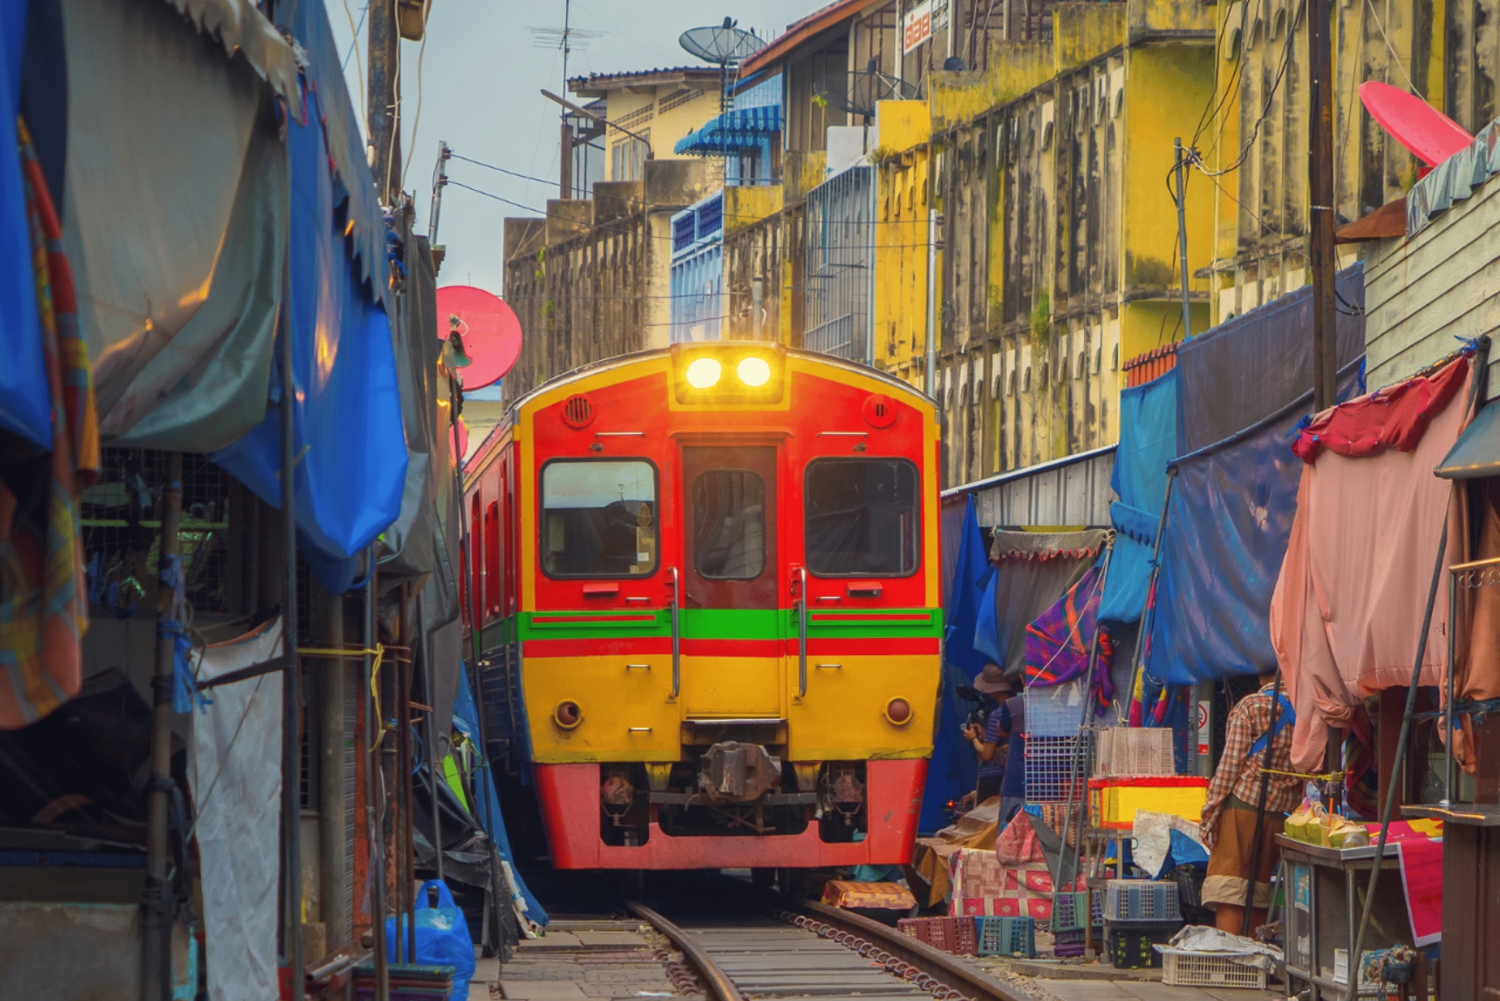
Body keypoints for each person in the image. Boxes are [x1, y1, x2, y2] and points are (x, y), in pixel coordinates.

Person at [1200, 672, 1298, 935]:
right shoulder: (1309, 710)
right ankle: (1254, 957)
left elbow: (1230, 768)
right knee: (1259, 890)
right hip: (1280, 815)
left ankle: (1232, 963)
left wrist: (1210, 812)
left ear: (1261, 676)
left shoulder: (1250, 706)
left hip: (1242, 807)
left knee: (1230, 889)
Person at [961, 664, 1011, 806]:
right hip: (1008, 774)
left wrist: (974, 739)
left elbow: (987, 754)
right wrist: (985, 736)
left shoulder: (997, 715)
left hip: (991, 778)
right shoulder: (1017, 709)